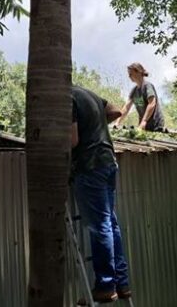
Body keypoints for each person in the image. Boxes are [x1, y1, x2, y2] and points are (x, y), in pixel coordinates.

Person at [71, 85, 131, 303]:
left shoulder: (65, 98)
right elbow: (116, 111)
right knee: (110, 224)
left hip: (90, 165)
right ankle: (121, 283)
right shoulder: (88, 94)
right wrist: (94, 127)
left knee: (101, 227)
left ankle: (106, 286)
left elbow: (73, 140)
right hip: (108, 162)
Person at [113, 62, 165, 132]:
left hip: (155, 125)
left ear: (138, 72)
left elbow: (152, 104)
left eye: (130, 74)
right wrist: (117, 122)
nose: (129, 76)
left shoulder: (147, 86)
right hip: (143, 126)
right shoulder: (134, 90)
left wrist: (144, 121)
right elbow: (126, 107)